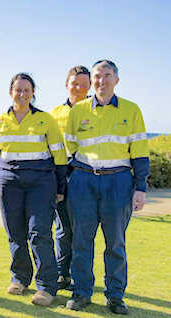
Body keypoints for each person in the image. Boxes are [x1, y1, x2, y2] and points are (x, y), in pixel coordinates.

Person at [64, 60, 149, 314]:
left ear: (116, 80)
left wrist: (140, 187)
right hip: (83, 180)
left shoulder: (131, 110)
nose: (102, 81)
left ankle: (115, 296)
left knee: (115, 243)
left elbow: (140, 152)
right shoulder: (78, 110)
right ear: (92, 81)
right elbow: (69, 148)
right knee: (81, 242)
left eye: (107, 76)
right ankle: (81, 293)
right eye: (98, 76)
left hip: (119, 182)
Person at [0, 73, 68, 307]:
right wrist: (2, 175)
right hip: (9, 181)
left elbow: (59, 155)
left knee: (39, 233)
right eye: (18, 89)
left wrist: (60, 186)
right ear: (10, 91)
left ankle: (46, 287)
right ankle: (20, 278)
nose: (22, 94)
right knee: (15, 232)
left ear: (33, 93)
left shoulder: (45, 119)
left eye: (27, 90)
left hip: (41, 181)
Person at [49, 66, 91, 289]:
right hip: (61, 175)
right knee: (63, 227)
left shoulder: (95, 111)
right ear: (67, 85)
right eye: (75, 83)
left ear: (90, 86)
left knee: (83, 228)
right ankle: (61, 273)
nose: (79, 88)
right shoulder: (54, 114)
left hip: (87, 175)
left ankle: (80, 276)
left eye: (84, 84)